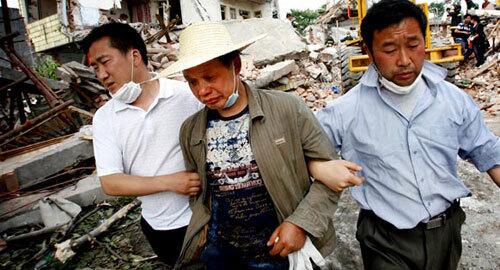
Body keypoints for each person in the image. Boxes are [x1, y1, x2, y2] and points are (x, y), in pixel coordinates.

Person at [157, 21, 363, 269]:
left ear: (236, 66)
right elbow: (201, 193)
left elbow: (330, 177)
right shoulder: (191, 130)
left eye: (210, 77)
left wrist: (300, 223)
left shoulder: (287, 109)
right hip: (221, 255)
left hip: (281, 252)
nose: (203, 90)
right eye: (192, 82)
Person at [315, 1, 500, 269]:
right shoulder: (344, 112)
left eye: (413, 46)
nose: (404, 60)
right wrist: (319, 166)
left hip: (446, 232)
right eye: (389, 49)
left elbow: (488, 151)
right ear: (368, 51)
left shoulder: (454, 100)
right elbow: (302, 153)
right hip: (385, 240)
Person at [82, 23, 203, 267]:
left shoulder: (186, 97)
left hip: (203, 218)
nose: (101, 75)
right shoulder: (105, 118)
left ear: (134, 56)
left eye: (105, 62)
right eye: (95, 68)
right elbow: (111, 182)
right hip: (158, 228)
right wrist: (169, 182)